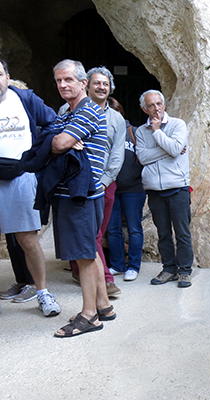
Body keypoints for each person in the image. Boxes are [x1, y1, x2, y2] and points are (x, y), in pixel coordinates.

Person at [48, 59, 115, 337]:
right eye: (59, 81)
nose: (63, 85)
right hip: (77, 194)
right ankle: (103, 305)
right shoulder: (68, 113)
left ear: (82, 83)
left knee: (84, 255)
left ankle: (89, 317)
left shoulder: (85, 110)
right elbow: (54, 135)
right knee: (90, 250)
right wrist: (56, 137)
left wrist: (57, 141)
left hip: (82, 195)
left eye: (69, 80)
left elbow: (58, 143)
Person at [0, 58, 61, 316]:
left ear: (7, 76)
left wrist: (38, 157)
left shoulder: (24, 99)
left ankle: (42, 293)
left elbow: (53, 123)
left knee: (27, 238)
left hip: (20, 177)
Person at [64, 67, 125, 298]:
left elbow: (117, 154)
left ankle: (105, 280)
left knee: (96, 232)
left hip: (103, 184)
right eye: (97, 83)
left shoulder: (116, 118)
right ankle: (80, 270)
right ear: (86, 84)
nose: (101, 87)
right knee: (75, 229)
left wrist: (104, 181)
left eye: (106, 84)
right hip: (74, 180)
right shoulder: (67, 109)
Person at [135, 90, 193, 288]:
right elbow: (142, 157)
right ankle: (169, 268)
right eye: (151, 105)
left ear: (164, 104)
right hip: (154, 189)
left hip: (177, 186)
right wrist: (169, 150)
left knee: (182, 232)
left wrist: (158, 132)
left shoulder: (178, 124)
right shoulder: (141, 131)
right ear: (145, 108)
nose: (156, 108)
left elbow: (176, 149)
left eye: (159, 103)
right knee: (163, 232)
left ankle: (185, 271)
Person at [106, 96, 145, 281]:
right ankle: (117, 264)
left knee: (134, 227)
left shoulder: (134, 132)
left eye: (116, 113)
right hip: (112, 187)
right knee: (112, 229)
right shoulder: (104, 133)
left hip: (134, 189)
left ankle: (134, 266)